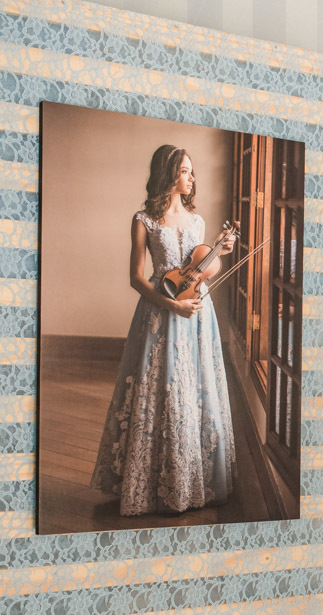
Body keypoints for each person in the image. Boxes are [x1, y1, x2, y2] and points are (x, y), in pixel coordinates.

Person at [91, 144, 237, 516]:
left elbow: (205, 271)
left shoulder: (198, 222)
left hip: (198, 313)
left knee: (194, 388)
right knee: (160, 390)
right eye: (185, 171)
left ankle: (193, 481)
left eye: (192, 171)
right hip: (161, 311)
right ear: (169, 173)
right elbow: (136, 278)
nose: (191, 178)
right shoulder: (143, 220)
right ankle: (153, 482)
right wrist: (171, 304)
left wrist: (220, 252)